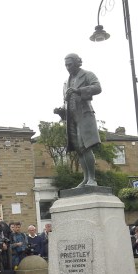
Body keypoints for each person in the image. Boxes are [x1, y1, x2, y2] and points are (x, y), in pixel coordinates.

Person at [53, 53, 101, 188]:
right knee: (79, 149)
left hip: (84, 115)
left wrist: (79, 90)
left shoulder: (87, 74)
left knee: (85, 146)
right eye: (66, 65)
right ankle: (86, 179)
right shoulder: (65, 83)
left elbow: (98, 87)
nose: (68, 67)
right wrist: (61, 111)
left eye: (70, 64)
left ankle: (92, 178)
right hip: (71, 119)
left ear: (77, 63)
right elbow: (67, 102)